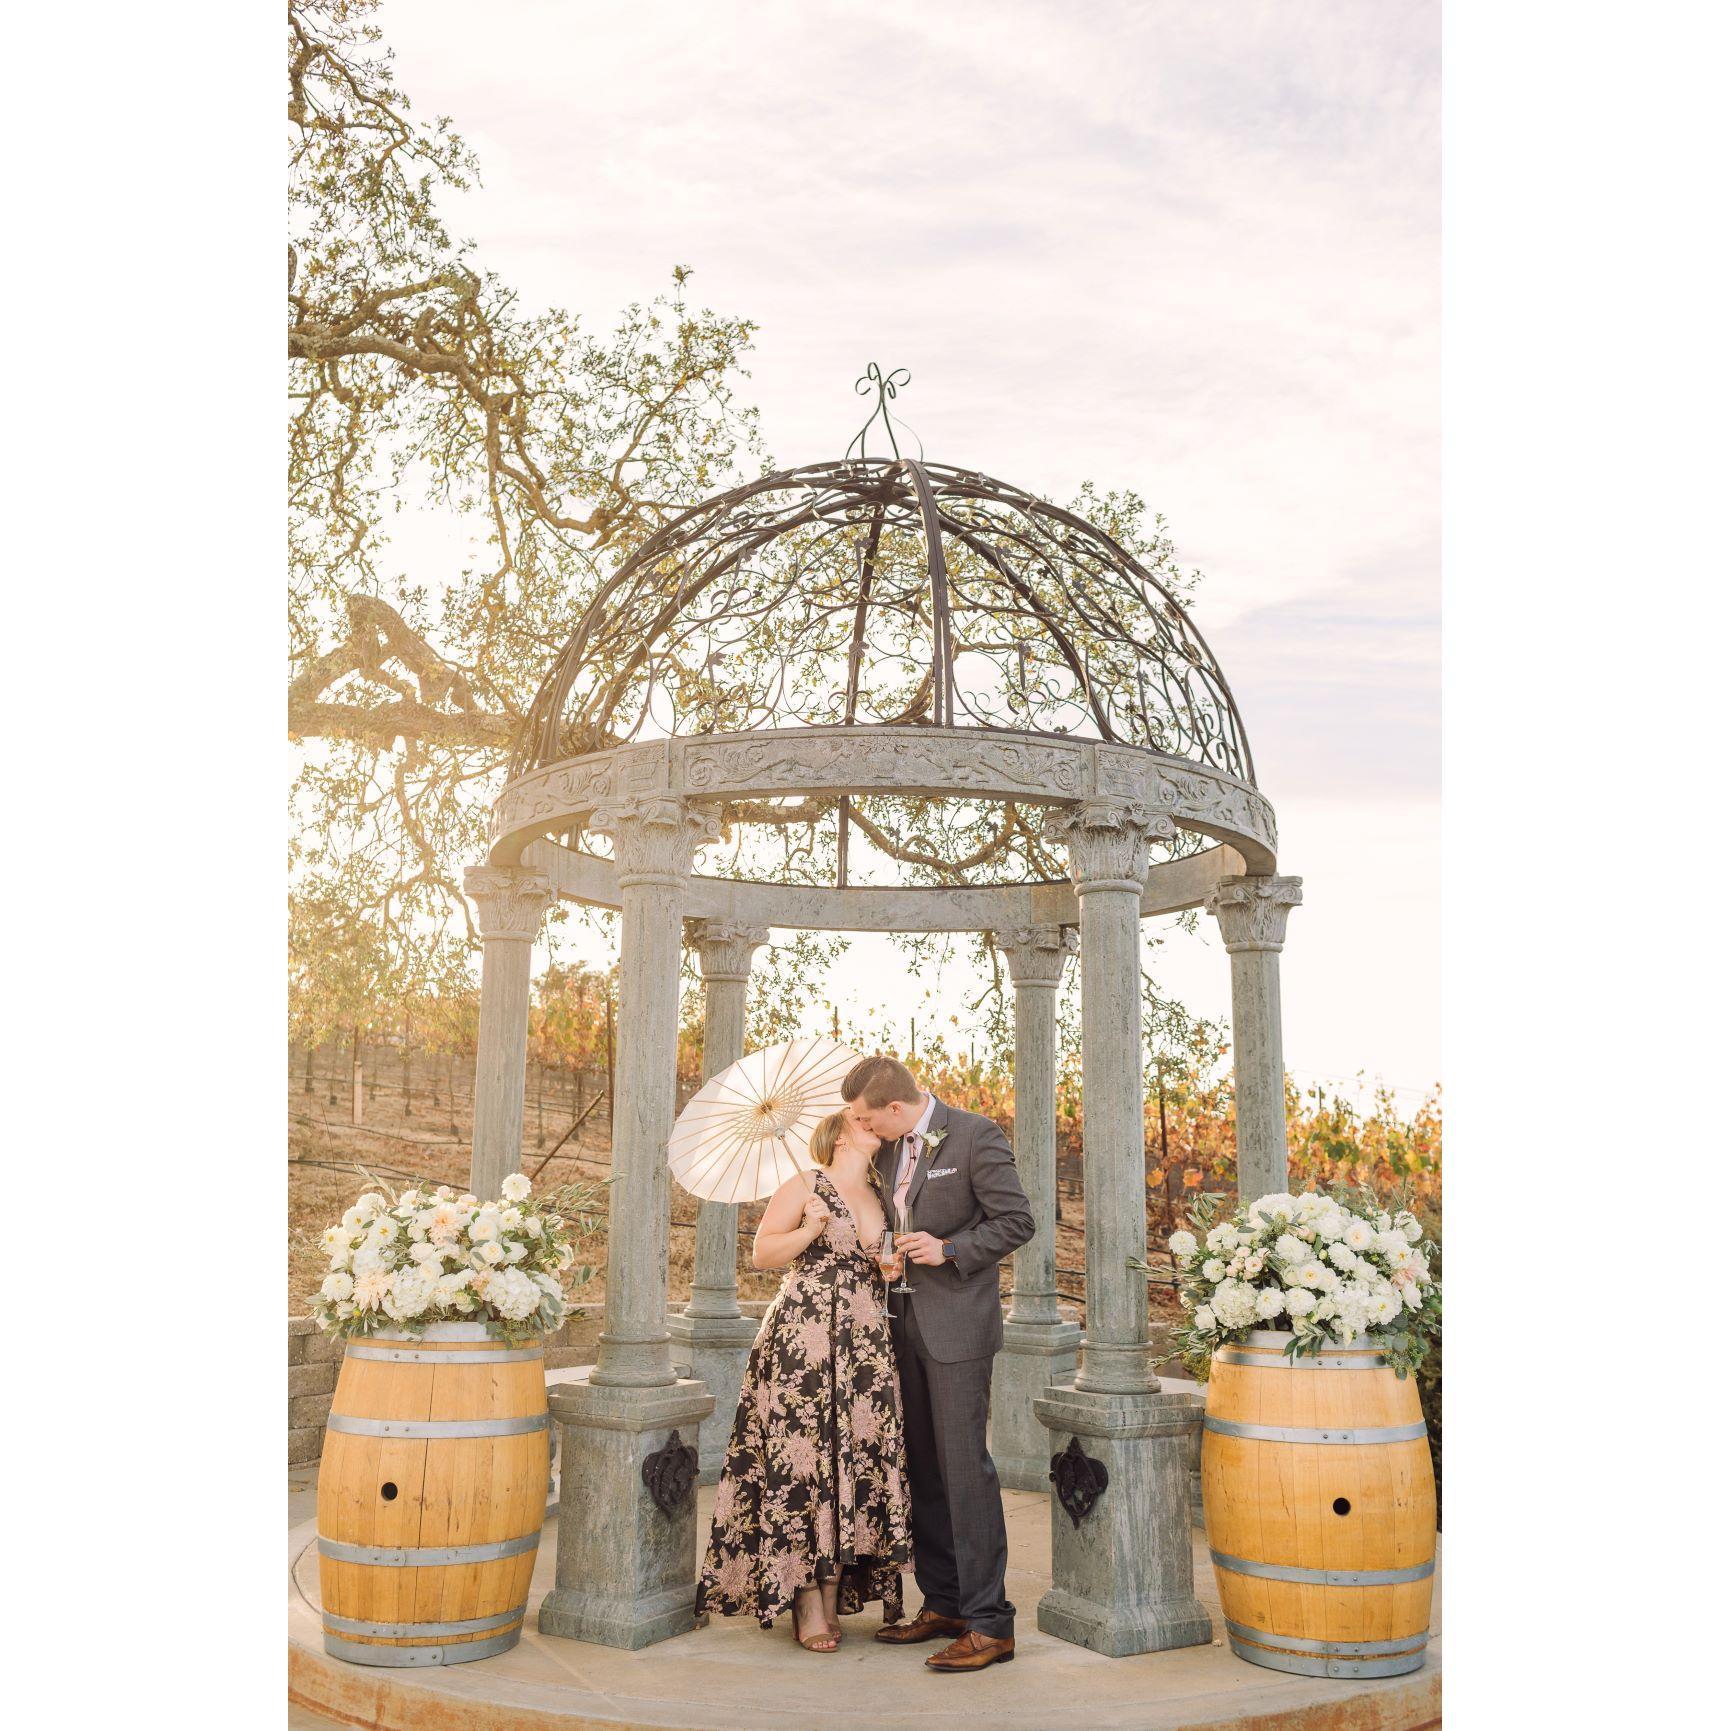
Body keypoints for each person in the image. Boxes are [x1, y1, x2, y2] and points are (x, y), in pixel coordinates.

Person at [843, 1054, 1034, 1673]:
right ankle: (945, 1602)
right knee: (921, 1471)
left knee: (963, 1471)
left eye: (870, 1119)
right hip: (896, 1328)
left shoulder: (976, 1135)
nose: (866, 1129)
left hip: (958, 1332)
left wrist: (949, 1248)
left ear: (896, 1108)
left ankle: (989, 1624)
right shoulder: (885, 1151)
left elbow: (1017, 1221)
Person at [695, 1108, 912, 1652]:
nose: (875, 1128)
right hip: (804, 1336)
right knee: (805, 1456)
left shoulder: (885, 1195)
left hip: (865, 1341)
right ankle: (805, 1596)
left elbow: (885, 1262)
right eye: (863, 1122)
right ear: (840, 1134)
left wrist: (892, 1267)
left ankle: (835, 1587)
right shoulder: (803, 1185)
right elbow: (763, 1252)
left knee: (854, 1455)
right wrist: (811, 1227)